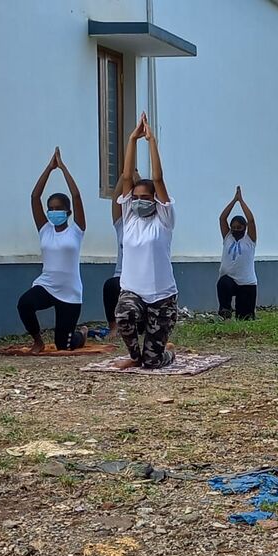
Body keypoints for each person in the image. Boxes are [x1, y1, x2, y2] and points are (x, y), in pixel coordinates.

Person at [114, 113, 179, 369]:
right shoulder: (129, 216)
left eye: (146, 197)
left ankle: (166, 352)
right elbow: (126, 177)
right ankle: (133, 355)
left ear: (155, 200)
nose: (140, 200)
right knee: (123, 314)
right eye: (137, 196)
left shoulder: (164, 219)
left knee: (153, 362)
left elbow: (158, 179)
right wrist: (132, 139)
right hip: (133, 292)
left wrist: (151, 141)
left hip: (163, 297)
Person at [17, 147, 87, 353]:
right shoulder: (45, 229)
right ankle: (37, 341)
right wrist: (49, 168)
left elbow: (76, 195)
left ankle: (81, 334)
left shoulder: (76, 230)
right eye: (51, 208)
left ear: (68, 212)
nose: (54, 212)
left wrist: (63, 168)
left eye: (59, 208)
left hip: (70, 293)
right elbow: (34, 197)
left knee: (63, 346)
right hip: (47, 286)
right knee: (25, 303)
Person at [102, 170, 139, 339]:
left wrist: (137, 179)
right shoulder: (122, 226)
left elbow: (151, 196)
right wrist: (125, 174)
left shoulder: (153, 225)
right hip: (122, 277)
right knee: (110, 285)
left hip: (143, 280)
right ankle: (114, 328)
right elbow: (116, 197)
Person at [217, 186, 258, 320]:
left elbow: (251, 220)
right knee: (223, 282)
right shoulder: (228, 237)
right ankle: (225, 311)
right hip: (230, 281)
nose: (235, 229)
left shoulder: (249, 240)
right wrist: (234, 200)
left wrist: (241, 201)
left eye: (238, 227)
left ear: (244, 228)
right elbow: (222, 218)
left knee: (245, 318)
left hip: (247, 283)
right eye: (233, 227)